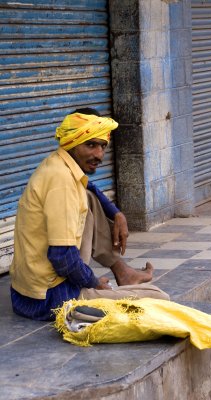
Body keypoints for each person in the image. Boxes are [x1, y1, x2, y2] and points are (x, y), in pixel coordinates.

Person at [10, 108, 169, 321]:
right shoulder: (62, 184)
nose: (99, 155)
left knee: (89, 198)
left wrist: (117, 213)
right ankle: (91, 300)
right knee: (159, 298)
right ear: (72, 142)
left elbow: (89, 187)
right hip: (51, 299)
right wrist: (93, 282)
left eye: (103, 146)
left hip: (28, 295)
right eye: (90, 145)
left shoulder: (57, 164)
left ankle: (122, 273)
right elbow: (62, 257)